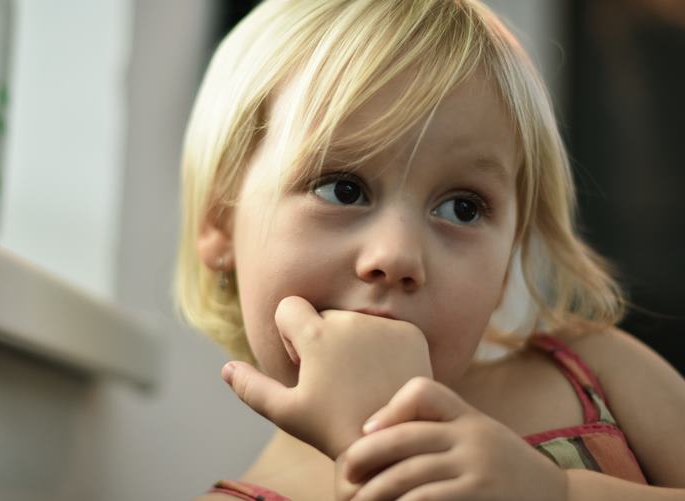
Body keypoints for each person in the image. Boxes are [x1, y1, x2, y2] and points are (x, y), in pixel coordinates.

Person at [175, 1, 685, 499]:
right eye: (342, 190)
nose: (397, 255)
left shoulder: (596, 371)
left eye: (463, 208)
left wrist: (558, 492)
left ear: (507, 259)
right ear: (221, 220)